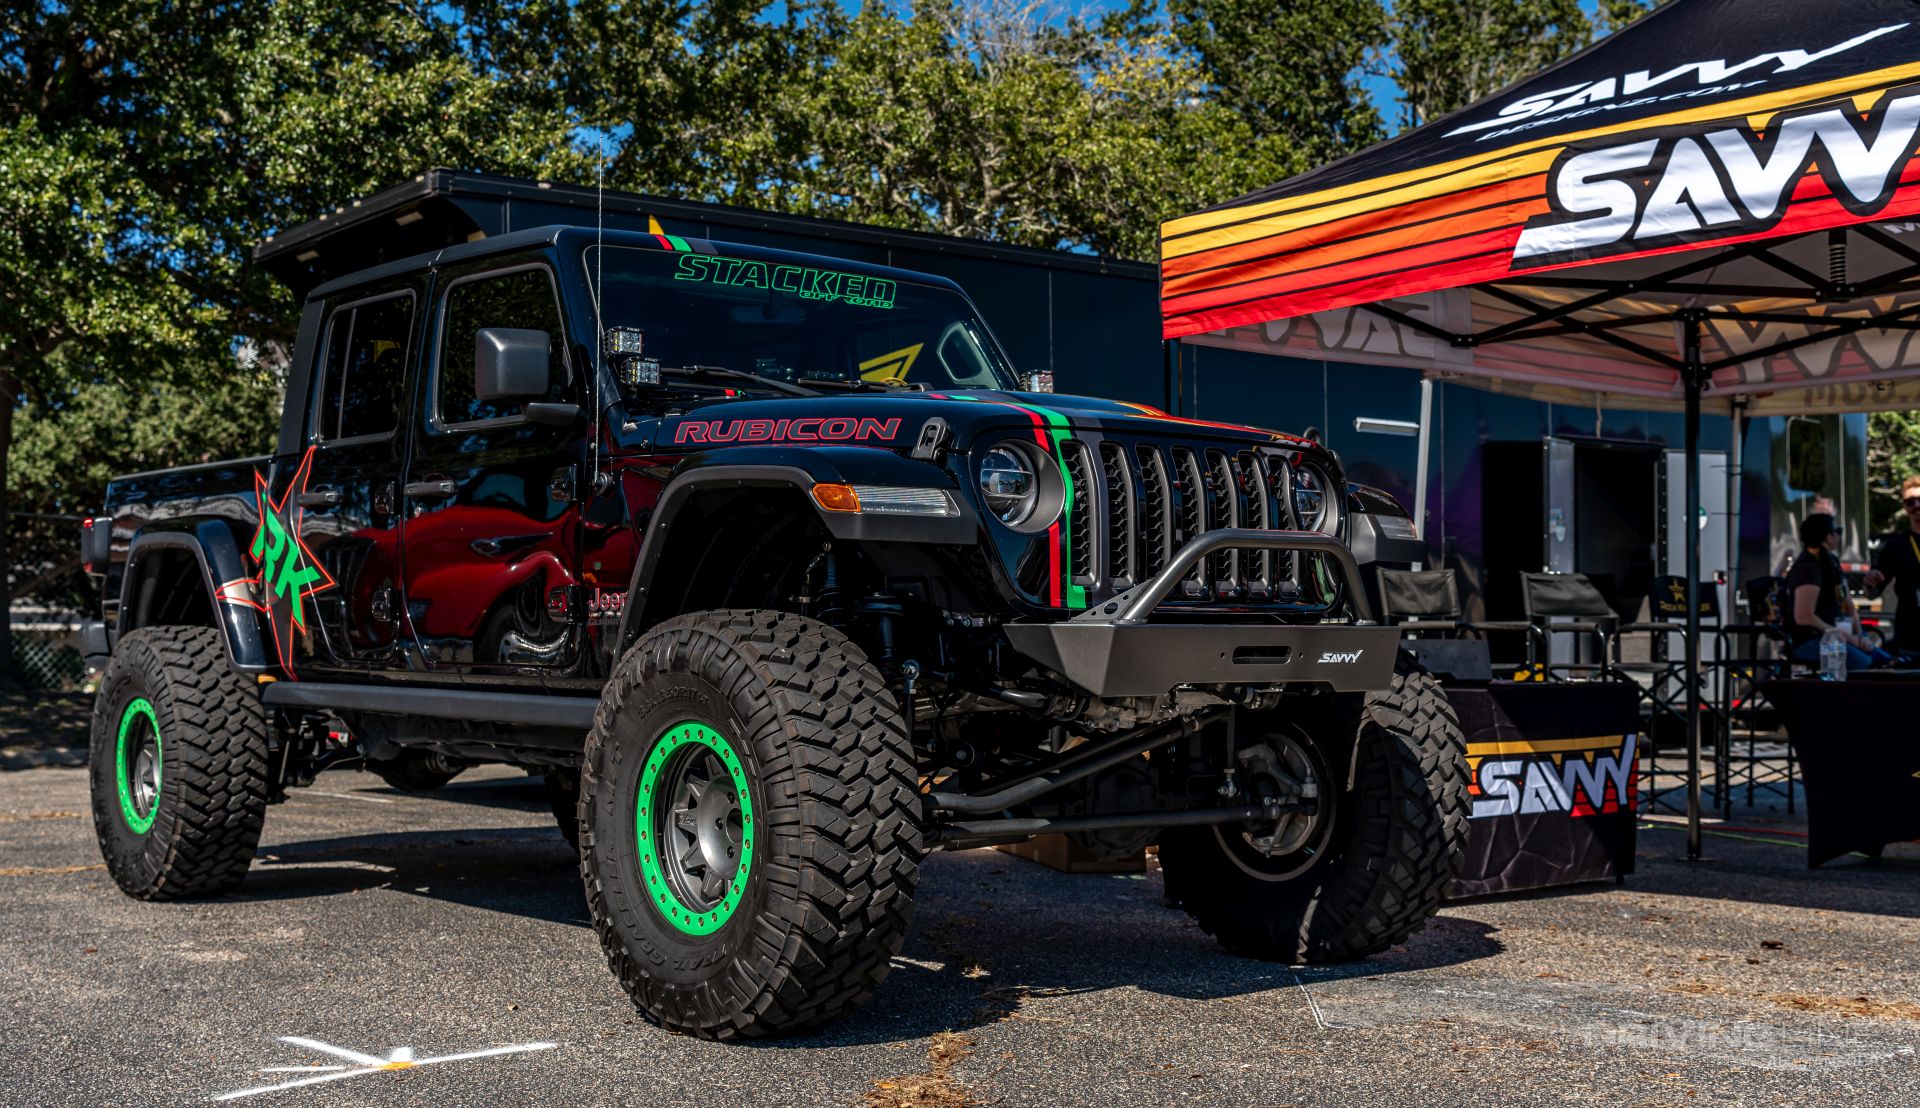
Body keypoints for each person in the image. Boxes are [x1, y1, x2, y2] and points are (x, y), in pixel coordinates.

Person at [1785, 512, 1890, 673]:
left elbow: (1849, 606)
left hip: (1838, 637)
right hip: (1809, 639)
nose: (1840, 536)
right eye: (1838, 531)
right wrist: (1851, 639)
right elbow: (1804, 617)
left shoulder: (1831, 562)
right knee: (1868, 667)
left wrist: (1861, 636)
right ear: (1828, 537)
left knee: (1886, 662)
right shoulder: (1809, 567)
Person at [1865, 475, 1920, 660]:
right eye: (1911, 502)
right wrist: (1870, 582)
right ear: (1905, 507)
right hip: (1910, 638)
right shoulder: (1897, 546)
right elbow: (1873, 592)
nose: (1917, 506)